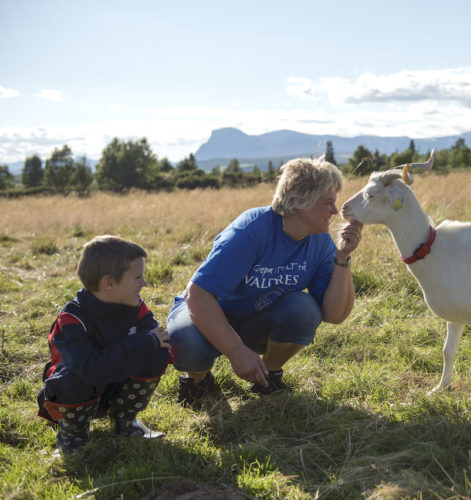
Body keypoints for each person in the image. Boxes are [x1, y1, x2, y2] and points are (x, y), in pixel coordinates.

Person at [168, 156, 362, 405]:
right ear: (301, 203)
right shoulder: (250, 231)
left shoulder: (320, 241)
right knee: (186, 340)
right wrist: (237, 352)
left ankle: (266, 375)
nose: (335, 212)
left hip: (256, 317)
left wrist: (342, 257)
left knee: (304, 310)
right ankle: (198, 379)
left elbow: (334, 315)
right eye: (328, 203)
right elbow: (197, 296)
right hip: (209, 313)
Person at [36, 235, 172, 455]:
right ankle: (73, 436)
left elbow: (161, 340)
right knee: (75, 377)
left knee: (158, 351)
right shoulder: (72, 320)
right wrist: (142, 343)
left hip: (114, 384)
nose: (144, 283)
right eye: (137, 277)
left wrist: (148, 344)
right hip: (72, 396)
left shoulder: (136, 307)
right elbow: (89, 370)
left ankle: (126, 421)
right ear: (108, 283)